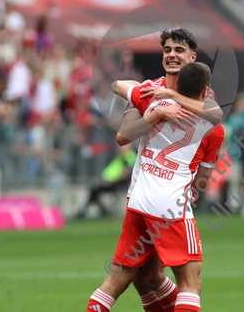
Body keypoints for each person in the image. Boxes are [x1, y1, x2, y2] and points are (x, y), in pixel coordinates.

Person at [85, 62, 224, 312]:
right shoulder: (214, 130)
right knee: (190, 283)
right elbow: (204, 176)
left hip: (138, 201)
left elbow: (117, 87)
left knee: (128, 277)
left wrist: (145, 90)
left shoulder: (152, 101)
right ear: (205, 92)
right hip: (171, 204)